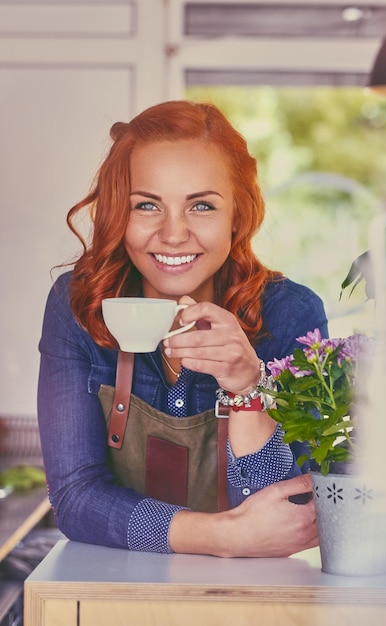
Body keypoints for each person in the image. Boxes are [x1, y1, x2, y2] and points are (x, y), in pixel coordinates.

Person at [37, 100, 328, 558]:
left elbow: (289, 514)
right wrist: (224, 536)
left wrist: (247, 386)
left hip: (250, 597)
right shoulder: (77, 304)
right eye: (147, 205)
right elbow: (75, 499)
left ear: (238, 215)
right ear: (118, 213)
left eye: (202, 206)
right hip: (112, 590)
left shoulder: (290, 315)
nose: (173, 235)